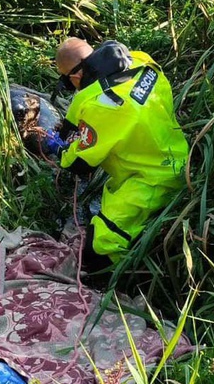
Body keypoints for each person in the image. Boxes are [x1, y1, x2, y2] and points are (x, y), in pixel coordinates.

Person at [46, 37, 189, 271]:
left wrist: (59, 150)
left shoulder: (102, 105)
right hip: (177, 153)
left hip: (151, 179)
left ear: (75, 77)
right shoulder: (141, 61)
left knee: (100, 246)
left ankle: (116, 281)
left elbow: (81, 164)